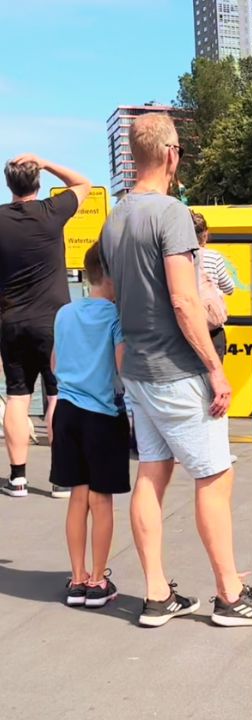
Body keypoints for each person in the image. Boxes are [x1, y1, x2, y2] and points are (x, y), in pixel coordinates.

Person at [98, 113, 252, 628]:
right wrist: (216, 369)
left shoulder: (114, 219)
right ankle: (231, 596)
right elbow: (185, 303)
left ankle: (157, 595)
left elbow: (119, 295)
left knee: (152, 474)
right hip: (178, 370)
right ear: (171, 153)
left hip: (139, 369)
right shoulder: (173, 215)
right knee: (215, 476)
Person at [0, 154, 90, 498]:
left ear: (9, 185)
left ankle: (18, 478)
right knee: (56, 396)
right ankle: (60, 480)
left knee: (18, 397)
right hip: (54, 323)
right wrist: (46, 162)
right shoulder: (52, 212)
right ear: (36, 183)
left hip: (12, 321)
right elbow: (81, 183)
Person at [52, 242, 130, 608]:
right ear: (113, 276)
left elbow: (54, 365)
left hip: (66, 412)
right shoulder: (115, 317)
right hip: (101, 415)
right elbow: (121, 365)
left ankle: (77, 576)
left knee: (77, 497)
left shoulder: (64, 313)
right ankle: (99, 581)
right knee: (101, 501)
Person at [191, 211, 234, 362]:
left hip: (186, 329)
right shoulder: (213, 257)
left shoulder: (175, 258)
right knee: (214, 373)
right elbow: (229, 288)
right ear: (205, 234)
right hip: (211, 328)